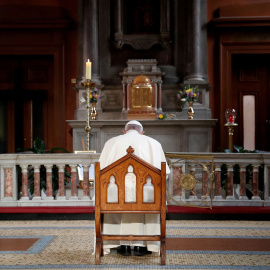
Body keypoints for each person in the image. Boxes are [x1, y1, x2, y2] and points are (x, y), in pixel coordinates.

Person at [99, 120, 170, 256]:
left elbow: (100, 172)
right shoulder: (153, 143)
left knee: (112, 191)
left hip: (115, 196)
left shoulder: (111, 142)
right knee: (150, 192)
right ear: (142, 132)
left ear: (124, 132)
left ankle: (121, 245)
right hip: (145, 196)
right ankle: (143, 246)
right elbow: (164, 174)